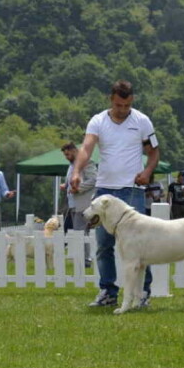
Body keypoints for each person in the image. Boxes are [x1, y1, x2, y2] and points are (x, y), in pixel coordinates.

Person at [70, 80, 159, 308]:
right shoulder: (98, 121)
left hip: (132, 190)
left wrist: (147, 171)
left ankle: (143, 294)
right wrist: (77, 171)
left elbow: (154, 152)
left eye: (127, 105)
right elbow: (87, 148)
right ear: (111, 99)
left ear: (132, 101)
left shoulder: (142, 121)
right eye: (119, 105)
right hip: (105, 190)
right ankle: (108, 291)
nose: (122, 110)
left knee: (140, 246)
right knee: (103, 244)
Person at [61, 142, 97, 266]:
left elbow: (94, 180)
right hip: (72, 204)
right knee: (80, 232)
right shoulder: (71, 166)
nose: (67, 157)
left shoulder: (87, 162)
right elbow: (70, 181)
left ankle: (86, 260)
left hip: (83, 203)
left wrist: (79, 188)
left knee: (79, 232)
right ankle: (85, 259)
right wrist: (65, 186)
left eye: (68, 154)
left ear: (75, 151)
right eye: (65, 155)